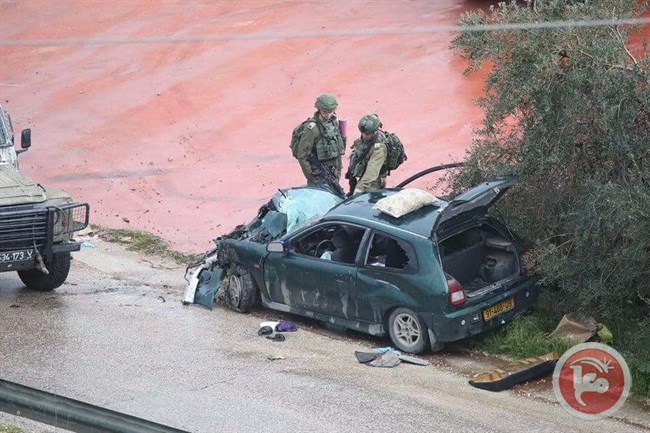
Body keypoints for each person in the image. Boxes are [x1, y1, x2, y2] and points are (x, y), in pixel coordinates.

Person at [295, 94, 345, 187]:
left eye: (331, 111)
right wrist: (311, 178)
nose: (328, 114)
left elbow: (339, 149)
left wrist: (338, 172)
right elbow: (302, 156)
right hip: (318, 175)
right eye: (325, 112)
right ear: (319, 109)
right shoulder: (312, 129)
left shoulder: (333, 123)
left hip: (333, 174)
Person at [347, 113, 388, 195]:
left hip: (373, 183)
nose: (364, 135)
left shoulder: (379, 148)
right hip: (361, 178)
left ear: (375, 131)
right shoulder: (365, 139)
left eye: (367, 134)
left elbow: (372, 171)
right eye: (362, 133)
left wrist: (359, 188)